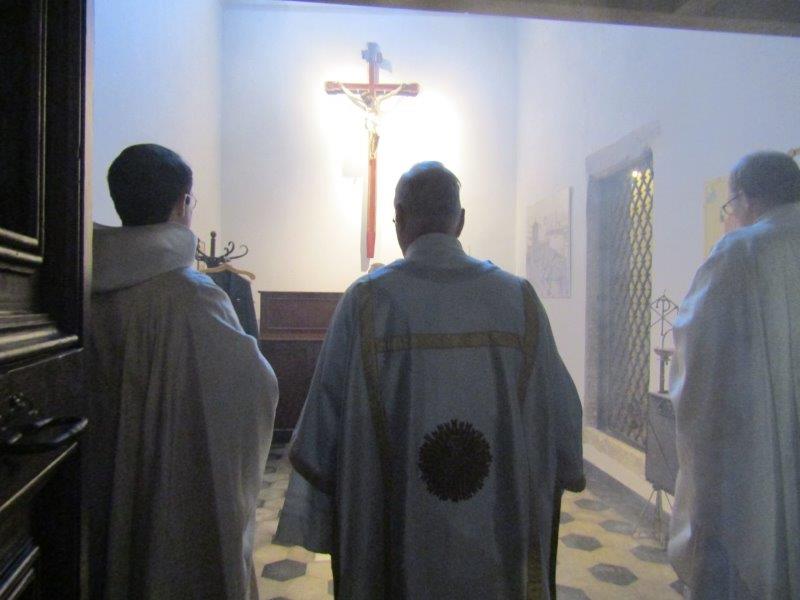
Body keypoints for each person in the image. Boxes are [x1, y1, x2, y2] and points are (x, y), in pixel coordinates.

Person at [275, 162, 584, 599]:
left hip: (395, 547)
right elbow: (562, 419)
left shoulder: (366, 303)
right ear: (461, 221)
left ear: (399, 218)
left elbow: (321, 435)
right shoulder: (519, 300)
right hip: (496, 544)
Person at [86, 144, 278, 600]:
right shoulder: (194, 298)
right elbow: (255, 389)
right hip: (170, 491)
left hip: (97, 481)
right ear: (182, 203)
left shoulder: (82, 285)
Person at [668, 151, 800, 599]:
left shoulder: (741, 251)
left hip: (752, 467)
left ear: (745, 198)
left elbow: (699, 364)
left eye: (730, 206)